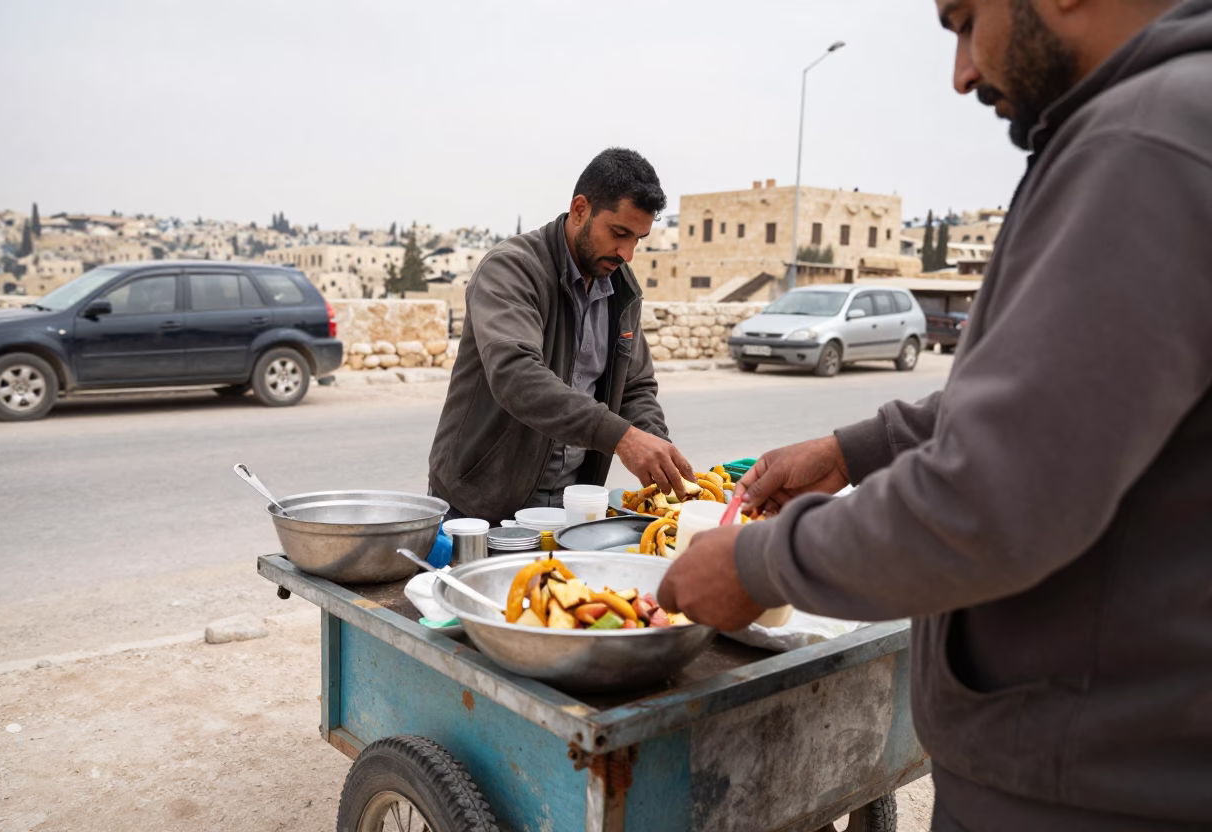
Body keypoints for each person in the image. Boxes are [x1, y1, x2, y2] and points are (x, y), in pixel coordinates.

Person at [659, 1, 1212, 830]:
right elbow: (1050, 403)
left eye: (963, 19)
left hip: (1088, 789)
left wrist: (757, 564)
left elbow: (994, 495)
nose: (960, 74)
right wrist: (854, 449)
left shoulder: (1145, 142)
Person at [428, 148, 694, 525]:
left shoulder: (621, 289)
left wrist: (655, 446)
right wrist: (622, 437)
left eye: (639, 239)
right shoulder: (513, 268)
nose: (627, 253)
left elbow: (634, 387)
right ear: (580, 209)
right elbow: (516, 375)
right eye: (619, 233)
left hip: (568, 509)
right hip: (479, 506)